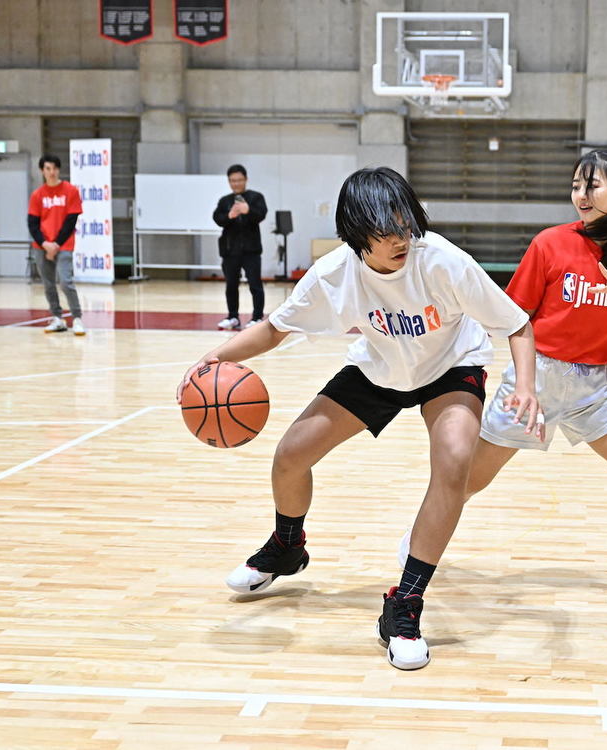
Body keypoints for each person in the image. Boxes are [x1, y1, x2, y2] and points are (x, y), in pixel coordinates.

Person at [177, 167, 542, 670]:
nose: (401, 239)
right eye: (386, 230)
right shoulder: (334, 274)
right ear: (355, 234)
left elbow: (518, 324)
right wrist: (211, 359)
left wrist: (525, 385)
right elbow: (273, 330)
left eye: (406, 225)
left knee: (455, 462)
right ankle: (287, 545)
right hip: (380, 368)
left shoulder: (442, 261)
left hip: (450, 367)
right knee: (290, 456)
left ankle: (405, 602)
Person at [401, 149, 607, 600]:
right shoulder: (550, 243)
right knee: (466, 481)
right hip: (538, 378)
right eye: (575, 186)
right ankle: (416, 549)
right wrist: (520, 382)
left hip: (594, 388)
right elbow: (515, 317)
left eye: (593, 185)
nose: (581, 195)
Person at [27, 154, 86, 335]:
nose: (51, 173)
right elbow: (32, 224)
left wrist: (56, 244)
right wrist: (45, 244)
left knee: (66, 281)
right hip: (42, 246)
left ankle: (77, 318)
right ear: (42, 171)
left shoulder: (70, 191)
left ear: (59, 170)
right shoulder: (37, 195)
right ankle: (57, 318)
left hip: (64, 245)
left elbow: (71, 221)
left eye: (54, 169)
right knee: (48, 284)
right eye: (48, 169)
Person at [212, 164, 268, 330]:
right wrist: (230, 215)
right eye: (232, 181)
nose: (236, 183)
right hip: (230, 251)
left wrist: (247, 210)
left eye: (239, 180)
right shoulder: (225, 201)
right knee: (231, 285)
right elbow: (217, 218)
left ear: (246, 179)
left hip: (251, 250)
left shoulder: (256, 197)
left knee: (255, 284)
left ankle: (257, 317)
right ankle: (233, 317)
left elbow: (261, 214)